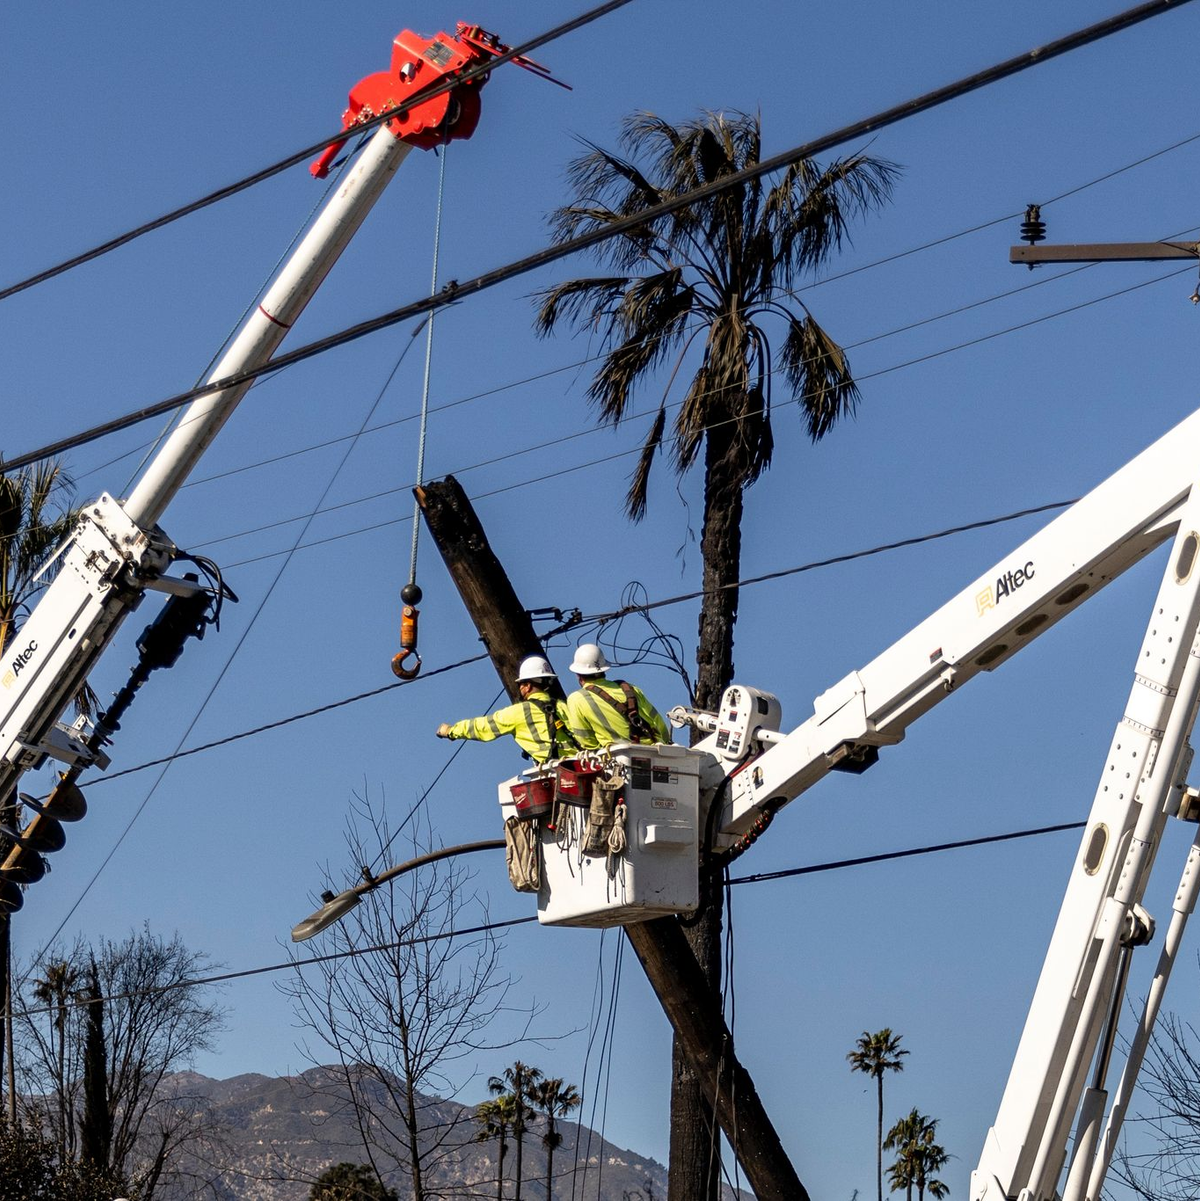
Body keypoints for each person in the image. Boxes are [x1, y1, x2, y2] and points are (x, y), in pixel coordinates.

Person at [436, 655, 578, 764]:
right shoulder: (562, 706)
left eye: (521, 684)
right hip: (580, 765)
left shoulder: (519, 712)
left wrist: (452, 731)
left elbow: (484, 727)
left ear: (527, 686)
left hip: (556, 771)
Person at [565, 643, 672, 750]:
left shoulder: (576, 699)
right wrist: (667, 743)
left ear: (578, 674)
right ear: (604, 670)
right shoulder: (630, 689)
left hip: (620, 755)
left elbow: (586, 741)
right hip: (655, 750)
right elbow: (658, 721)